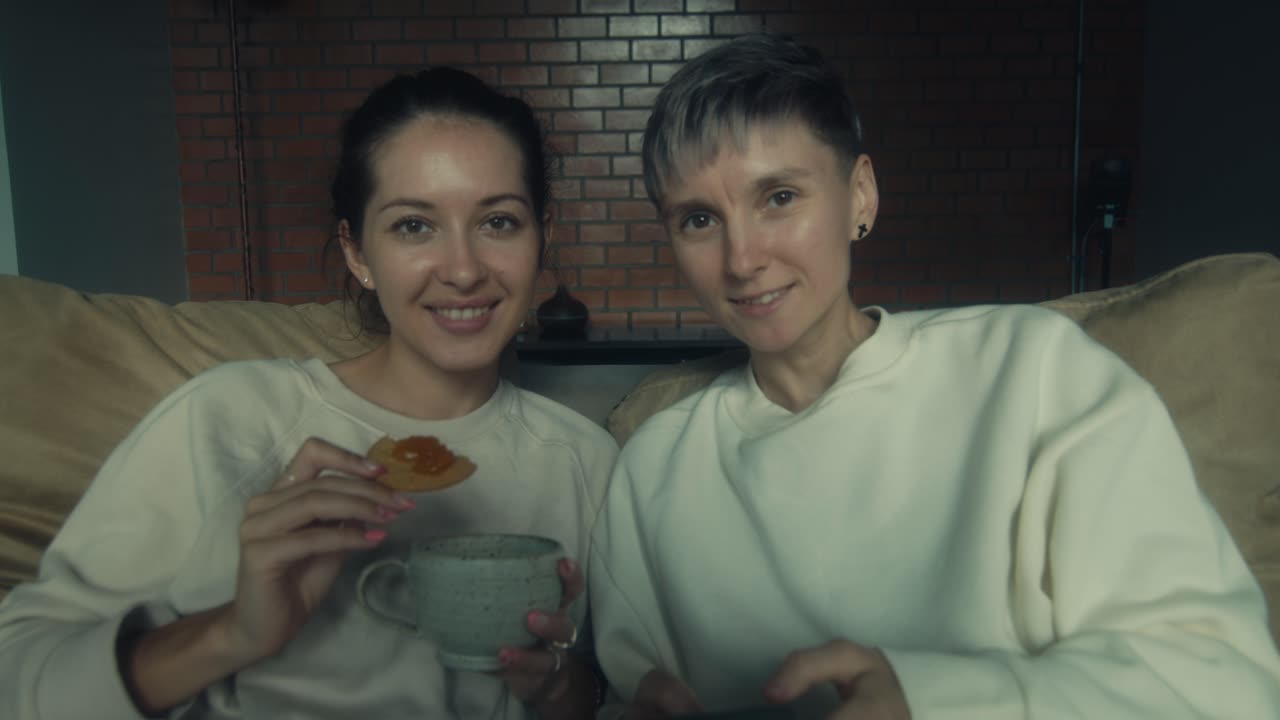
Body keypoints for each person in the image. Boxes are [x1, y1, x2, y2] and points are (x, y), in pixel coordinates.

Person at [588, 33, 1280, 718]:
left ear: (860, 195)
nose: (742, 259)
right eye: (700, 219)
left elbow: (1224, 683)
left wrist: (934, 701)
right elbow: (628, 694)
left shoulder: (1035, 373)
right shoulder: (653, 469)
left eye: (779, 198)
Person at [0, 67, 616, 719]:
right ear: (357, 253)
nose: (463, 270)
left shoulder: (585, 462)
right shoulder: (227, 416)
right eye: (414, 226)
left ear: (540, 234)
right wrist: (233, 632)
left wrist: (557, 689)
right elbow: (18, 678)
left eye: (498, 221)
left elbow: (611, 692)